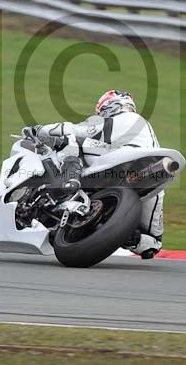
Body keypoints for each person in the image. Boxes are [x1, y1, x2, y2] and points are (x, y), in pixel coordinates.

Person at [21, 90, 164, 259]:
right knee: (153, 242)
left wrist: (40, 130)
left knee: (72, 141)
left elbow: (76, 130)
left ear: (110, 106)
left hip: (124, 160)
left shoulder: (121, 119)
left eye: (101, 110)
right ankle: (128, 236)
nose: (100, 114)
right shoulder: (143, 127)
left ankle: (70, 180)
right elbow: (154, 245)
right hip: (151, 176)